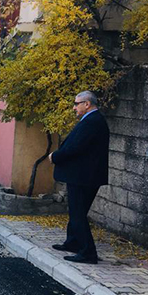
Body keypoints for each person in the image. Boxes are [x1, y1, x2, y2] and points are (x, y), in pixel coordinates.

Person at [49, 91, 110, 265]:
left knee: (78, 213)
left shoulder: (93, 122)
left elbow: (76, 147)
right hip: (83, 175)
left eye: (77, 104)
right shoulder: (92, 120)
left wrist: (56, 156)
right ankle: (74, 242)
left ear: (87, 104)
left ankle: (88, 253)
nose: (74, 107)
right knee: (77, 211)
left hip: (84, 176)